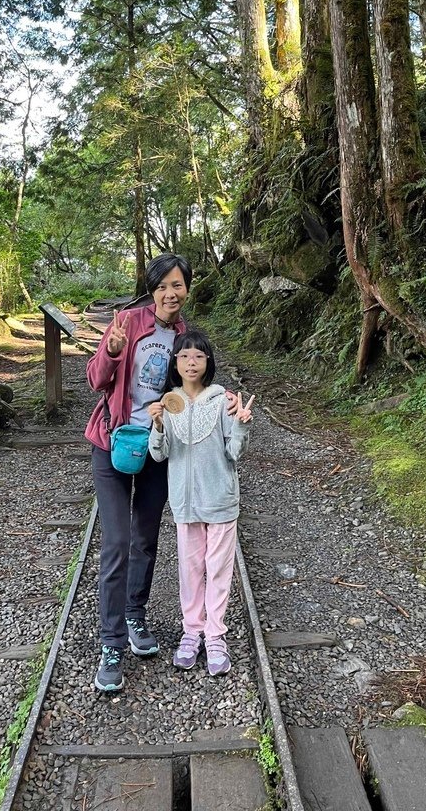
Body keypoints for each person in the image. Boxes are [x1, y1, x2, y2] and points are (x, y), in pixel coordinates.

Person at [85, 253, 192, 692]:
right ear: (152, 290)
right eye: (162, 286)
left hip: (155, 447)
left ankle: (134, 616)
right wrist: (112, 349)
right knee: (117, 543)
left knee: (146, 539)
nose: (170, 293)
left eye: (178, 285)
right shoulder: (127, 323)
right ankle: (111, 644)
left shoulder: (185, 334)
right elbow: (95, 379)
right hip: (113, 443)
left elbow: (190, 388)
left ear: (187, 289)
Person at [148, 328, 254, 677]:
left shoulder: (223, 400)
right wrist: (160, 425)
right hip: (185, 505)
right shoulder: (168, 402)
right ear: (175, 363)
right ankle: (192, 632)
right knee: (190, 571)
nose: (191, 362)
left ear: (208, 361)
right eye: (184, 356)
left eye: (198, 356)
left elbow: (234, 453)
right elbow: (158, 454)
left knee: (219, 572)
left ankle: (216, 636)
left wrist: (240, 424)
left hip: (220, 502)